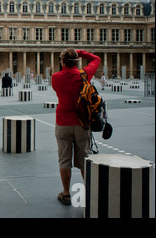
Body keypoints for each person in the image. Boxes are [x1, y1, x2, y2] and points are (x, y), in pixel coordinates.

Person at [51, 49, 101, 205]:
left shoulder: (56, 78)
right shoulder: (84, 75)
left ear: (62, 62)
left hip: (63, 123)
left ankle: (66, 193)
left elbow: (58, 91)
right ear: (76, 61)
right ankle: (91, 191)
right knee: (84, 158)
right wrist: (81, 52)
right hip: (81, 123)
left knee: (64, 159)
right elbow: (96, 59)